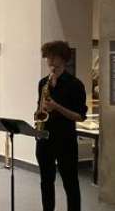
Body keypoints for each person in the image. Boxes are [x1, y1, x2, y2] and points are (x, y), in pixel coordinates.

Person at [35, 40, 87, 211]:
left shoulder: (75, 85)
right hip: (45, 140)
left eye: (52, 56)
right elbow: (39, 108)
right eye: (47, 56)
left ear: (63, 58)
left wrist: (56, 107)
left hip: (65, 141)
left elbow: (80, 116)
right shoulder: (43, 83)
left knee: (70, 183)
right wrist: (38, 117)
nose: (49, 60)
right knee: (46, 182)